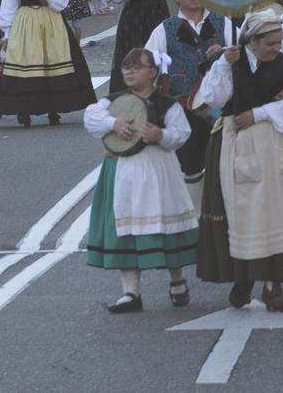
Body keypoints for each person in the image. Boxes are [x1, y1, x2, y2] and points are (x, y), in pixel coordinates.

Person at [194, 6, 283, 312]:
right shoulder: (231, 62)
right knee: (242, 214)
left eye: (278, 43)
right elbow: (213, 98)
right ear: (251, 41)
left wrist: (258, 113)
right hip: (235, 147)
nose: (276, 49)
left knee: (274, 213)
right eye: (269, 44)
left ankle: (273, 281)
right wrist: (223, 63)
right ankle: (243, 276)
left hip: (275, 146)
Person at [82, 47, 199, 313]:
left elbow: (182, 133)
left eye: (137, 66)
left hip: (158, 171)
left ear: (153, 72)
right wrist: (114, 125)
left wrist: (161, 136)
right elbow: (91, 117)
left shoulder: (166, 104)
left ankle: (177, 280)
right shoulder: (113, 102)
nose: (130, 71)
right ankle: (131, 292)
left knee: (165, 224)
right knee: (125, 227)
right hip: (122, 170)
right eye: (126, 66)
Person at [145, 0, 236, 180]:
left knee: (223, 167)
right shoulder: (164, 29)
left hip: (221, 110)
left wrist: (223, 51)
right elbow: (149, 65)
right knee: (190, 168)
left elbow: (242, 53)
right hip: (182, 111)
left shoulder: (224, 23)